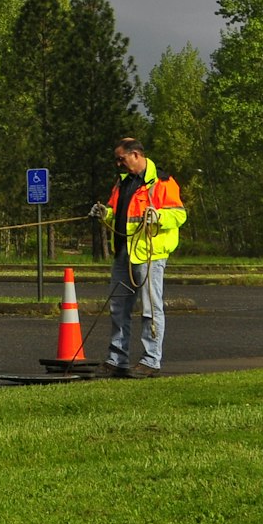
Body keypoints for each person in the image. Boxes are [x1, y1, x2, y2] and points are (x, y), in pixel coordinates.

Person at [92, 138, 186, 378]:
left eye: (121, 159)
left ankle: (151, 360)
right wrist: (104, 213)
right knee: (118, 308)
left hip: (150, 255)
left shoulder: (163, 182)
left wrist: (159, 218)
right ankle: (117, 359)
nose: (118, 164)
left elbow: (179, 215)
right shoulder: (122, 182)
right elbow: (116, 212)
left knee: (150, 310)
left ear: (135, 155)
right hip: (123, 254)